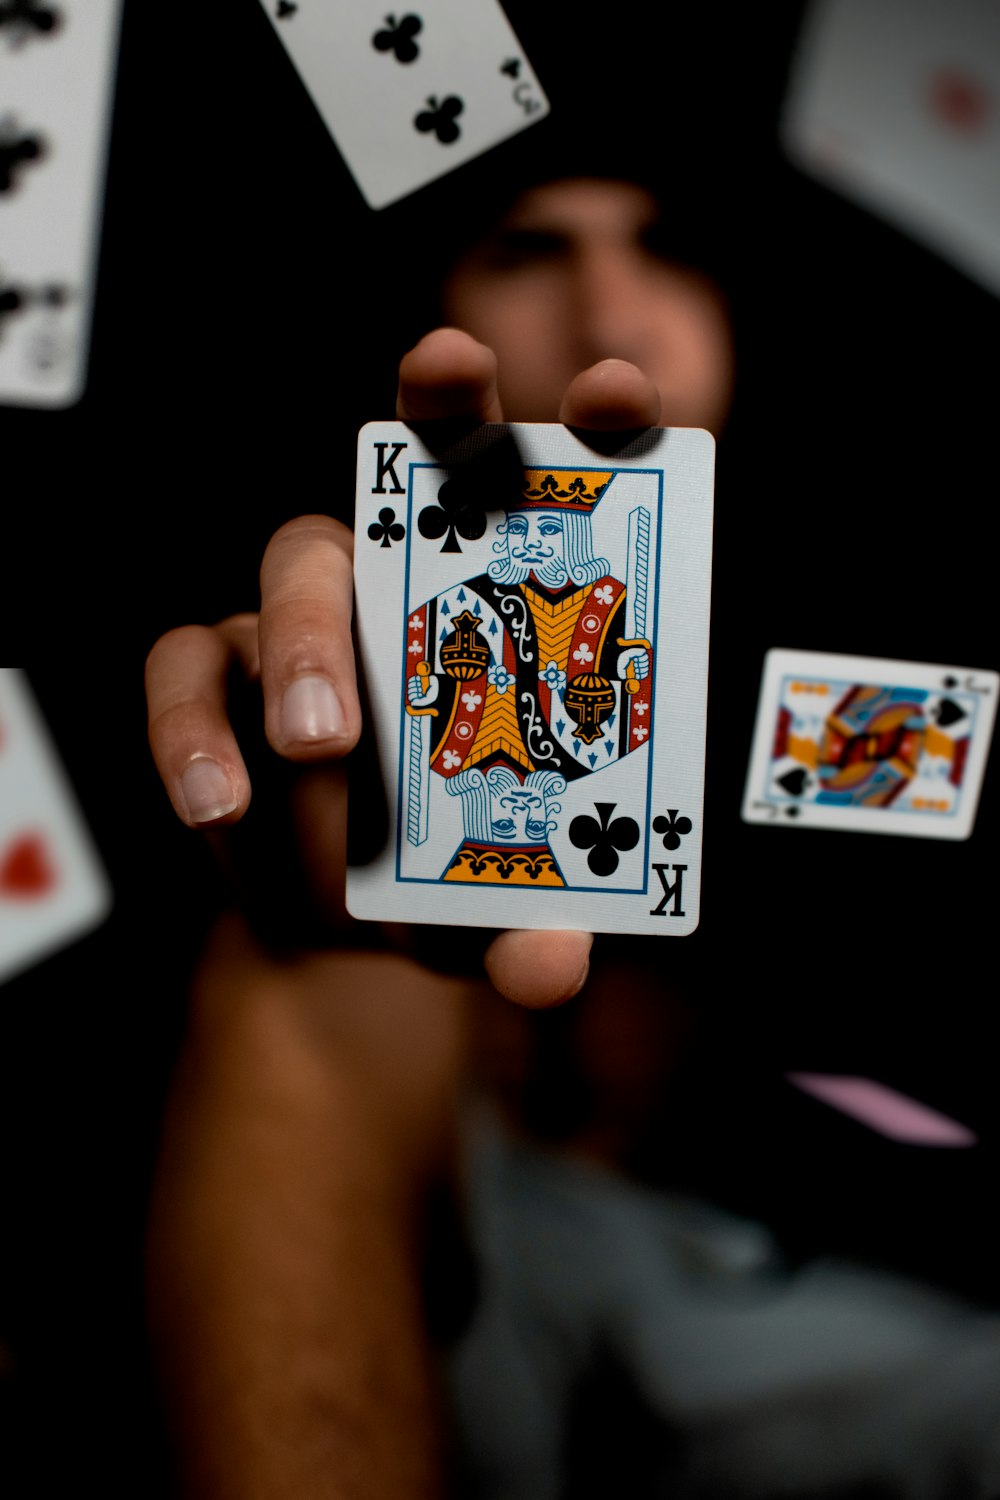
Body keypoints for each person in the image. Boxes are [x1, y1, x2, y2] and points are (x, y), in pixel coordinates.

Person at [141, 155, 1000, 1500]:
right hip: (461, 1262)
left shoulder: (904, 643)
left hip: (819, 1275)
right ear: (427, 301)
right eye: (532, 250)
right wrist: (318, 877)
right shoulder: (364, 633)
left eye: (662, 247)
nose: (610, 310)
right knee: (285, 984)